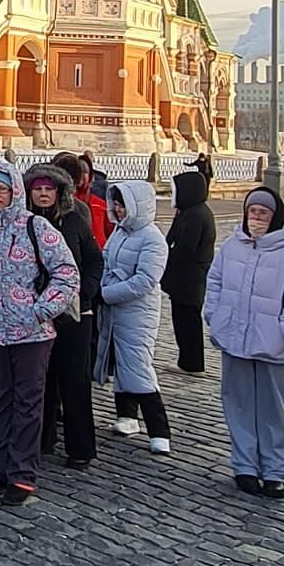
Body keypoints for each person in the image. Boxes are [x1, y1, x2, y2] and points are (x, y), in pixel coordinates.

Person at [0, 162, 78, 505]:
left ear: (14, 192)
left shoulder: (36, 227)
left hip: (32, 333)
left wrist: (41, 310)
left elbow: (66, 272)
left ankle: (21, 474)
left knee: (28, 403)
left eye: (1, 190)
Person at [204, 187, 284, 499]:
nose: (257, 218)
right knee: (238, 405)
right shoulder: (231, 247)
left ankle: (275, 471)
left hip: (271, 344)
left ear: (274, 217)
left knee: (271, 410)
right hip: (234, 338)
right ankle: (245, 465)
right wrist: (215, 316)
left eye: (263, 213)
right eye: (253, 212)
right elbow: (215, 283)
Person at [24, 163, 103, 469]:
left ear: (59, 192)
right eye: (38, 189)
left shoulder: (74, 221)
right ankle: (42, 440)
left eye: (49, 189)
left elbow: (94, 261)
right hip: (35, 313)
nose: (44, 194)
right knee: (39, 381)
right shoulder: (23, 223)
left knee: (74, 381)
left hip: (73, 314)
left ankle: (80, 446)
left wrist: (84, 292)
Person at [95, 181, 171, 453]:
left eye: (122, 204)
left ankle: (159, 430)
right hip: (115, 307)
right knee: (119, 361)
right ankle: (126, 416)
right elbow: (106, 260)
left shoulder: (152, 238)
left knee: (138, 365)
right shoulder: (119, 232)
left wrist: (105, 293)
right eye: (115, 203)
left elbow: (145, 281)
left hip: (137, 310)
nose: (117, 208)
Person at [161, 169, 216, 376]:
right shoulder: (189, 212)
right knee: (183, 319)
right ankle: (187, 358)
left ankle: (192, 362)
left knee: (188, 321)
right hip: (185, 278)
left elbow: (184, 247)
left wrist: (167, 258)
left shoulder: (196, 215)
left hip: (190, 278)